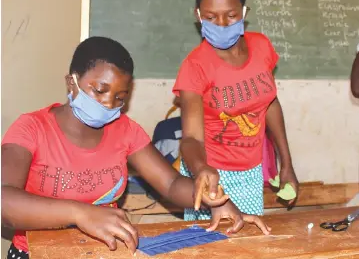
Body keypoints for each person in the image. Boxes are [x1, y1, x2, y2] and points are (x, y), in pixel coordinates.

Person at [1, 36, 271, 259]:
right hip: (36, 255)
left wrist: (213, 199)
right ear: (71, 82)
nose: (108, 104)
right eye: (99, 90)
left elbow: (171, 184)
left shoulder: (125, 131)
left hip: (106, 254)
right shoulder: (32, 128)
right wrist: (79, 213)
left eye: (119, 97)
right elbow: (4, 201)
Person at [173, 0, 299, 222]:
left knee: (249, 242)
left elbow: (270, 103)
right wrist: (201, 170)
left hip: (250, 169)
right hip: (211, 173)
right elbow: (191, 139)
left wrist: (286, 162)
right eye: (211, 17)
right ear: (198, 15)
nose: (221, 24)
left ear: (243, 12)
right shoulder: (195, 67)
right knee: (211, 247)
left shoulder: (261, 46)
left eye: (230, 16)